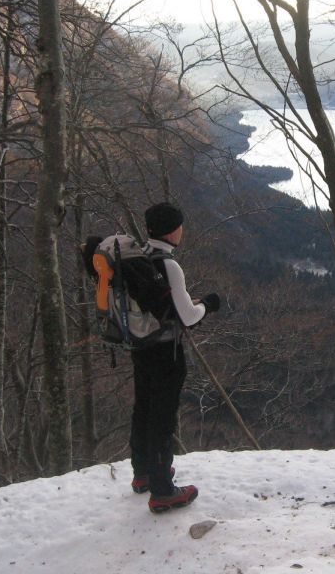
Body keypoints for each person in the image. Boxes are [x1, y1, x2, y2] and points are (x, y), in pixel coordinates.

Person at [121, 202, 220, 513]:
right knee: (163, 417)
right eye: (180, 225)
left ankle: (144, 474)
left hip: (140, 345)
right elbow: (188, 317)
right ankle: (163, 490)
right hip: (166, 352)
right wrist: (209, 304)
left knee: (144, 408)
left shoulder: (137, 258)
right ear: (173, 229)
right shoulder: (168, 265)